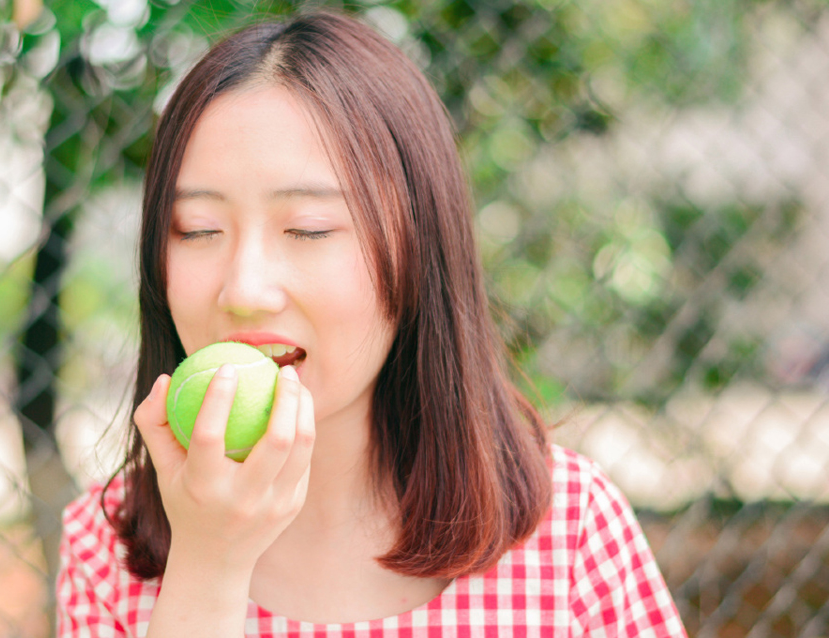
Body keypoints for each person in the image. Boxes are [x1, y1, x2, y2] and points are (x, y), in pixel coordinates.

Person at [56, 10, 687, 637]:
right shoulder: (102, 550)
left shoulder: (570, 530)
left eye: (308, 228)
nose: (244, 290)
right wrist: (208, 566)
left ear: (418, 248)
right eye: (197, 230)